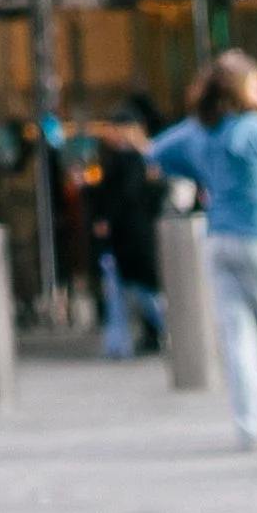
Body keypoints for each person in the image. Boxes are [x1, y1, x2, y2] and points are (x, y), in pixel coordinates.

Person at [149, 52, 257, 448]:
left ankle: (248, 424)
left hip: (219, 237)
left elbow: (157, 152)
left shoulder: (202, 129)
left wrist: (200, 173)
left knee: (237, 337)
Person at [82, 119, 165, 359]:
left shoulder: (126, 160)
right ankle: (124, 341)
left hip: (127, 236)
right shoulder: (141, 159)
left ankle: (128, 340)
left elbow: (121, 196)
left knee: (132, 288)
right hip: (134, 234)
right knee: (132, 288)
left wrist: (105, 218)